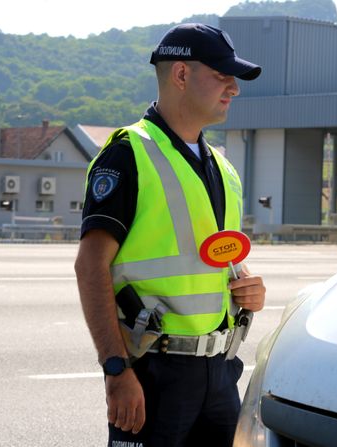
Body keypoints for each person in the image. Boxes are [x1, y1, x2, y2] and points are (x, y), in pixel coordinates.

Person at [74, 23, 266, 447]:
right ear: (181, 75)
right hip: (153, 373)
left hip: (219, 372)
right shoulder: (128, 153)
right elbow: (90, 267)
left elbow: (219, 258)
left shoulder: (224, 167)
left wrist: (248, 285)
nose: (233, 88)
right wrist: (116, 370)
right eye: (221, 75)